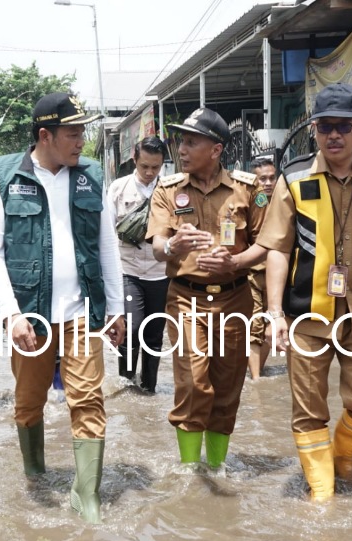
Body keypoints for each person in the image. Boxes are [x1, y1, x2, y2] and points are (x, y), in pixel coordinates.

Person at [0, 92, 126, 524]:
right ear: (45, 135)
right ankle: (35, 473)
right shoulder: (5, 177)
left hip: (81, 312)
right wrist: (11, 313)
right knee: (29, 401)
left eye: (82, 132)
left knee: (88, 400)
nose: (82, 141)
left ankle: (87, 496)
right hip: (30, 314)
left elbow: (107, 245)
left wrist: (116, 308)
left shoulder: (91, 176)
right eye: (73, 133)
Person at [259, 83, 352, 501]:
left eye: (343, 126)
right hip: (307, 316)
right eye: (324, 127)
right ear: (314, 130)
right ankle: (321, 492)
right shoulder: (294, 179)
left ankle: (342, 454)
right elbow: (277, 250)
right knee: (309, 409)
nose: (334, 135)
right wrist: (274, 313)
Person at [147, 108, 268, 471]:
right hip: (186, 299)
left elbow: (267, 245)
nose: (181, 150)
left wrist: (236, 261)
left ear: (216, 150)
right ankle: (189, 473)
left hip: (235, 298)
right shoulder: (168, 189)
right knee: (193, 383)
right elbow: (158, 248)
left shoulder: (249, 189)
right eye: (181, 142)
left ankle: (216, 468)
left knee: (227, 387)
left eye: (190, 142)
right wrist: (174, 245)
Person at [107, 136, 170, 393]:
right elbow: (107, 235)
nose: (149, 172)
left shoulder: (169, 189)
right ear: (134, 159)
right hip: (128, 272)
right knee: (131, 329)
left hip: (160, 274)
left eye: (155, 167)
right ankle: (126, 385)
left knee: (154, 335)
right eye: (145, 166)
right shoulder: (118, 189)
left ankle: (149, 388)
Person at [247, 154, 278, 380]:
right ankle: (256, 380)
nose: (267, 183)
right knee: (254, 325)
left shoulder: (285, 202)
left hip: (277, 276)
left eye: (271, 178)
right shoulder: (248, 204)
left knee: (272, 323)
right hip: (252, 274)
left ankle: (259, 371)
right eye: (262, 179)